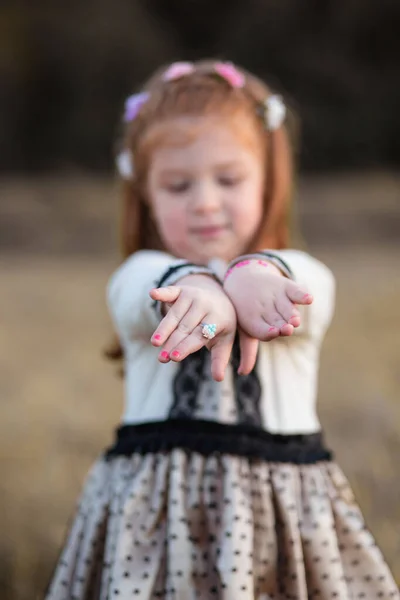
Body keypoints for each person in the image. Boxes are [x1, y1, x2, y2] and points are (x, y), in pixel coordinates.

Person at [46, 60, 399, 599]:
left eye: (229, 179)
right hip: (156, 529)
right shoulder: (139, 277)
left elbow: (311, 286)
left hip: (283, 523)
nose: (205, 201)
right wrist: (196, 287)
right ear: (145, 195)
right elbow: (144, 293)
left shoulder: (295, 276)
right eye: (178, 185)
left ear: (269, 179)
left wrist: (256, 274)